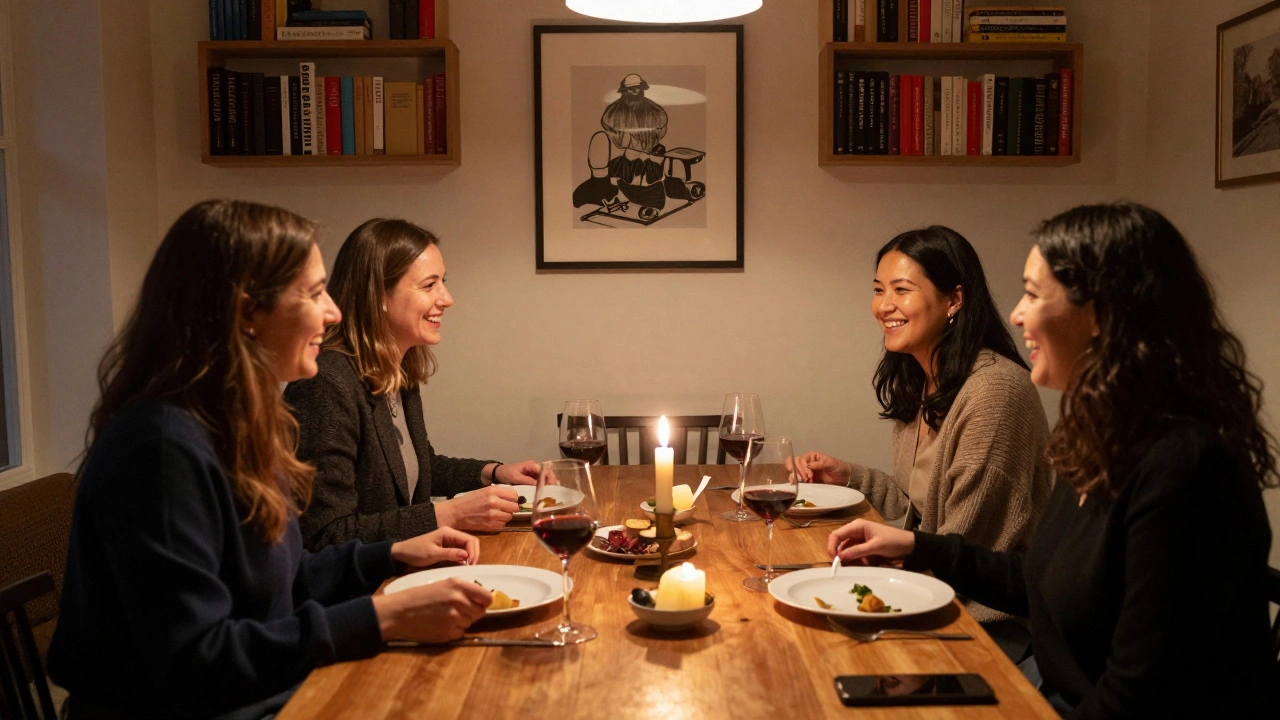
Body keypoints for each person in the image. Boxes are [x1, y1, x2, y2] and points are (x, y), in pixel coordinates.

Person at [827, 203, 1280, 717]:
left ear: (1102, 315)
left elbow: (1141, 695)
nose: (1016, 314)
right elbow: (1039, 581)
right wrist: (915, 544)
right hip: (1054, 681)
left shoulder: (1184, 467)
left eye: (1035, 295)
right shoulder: (1097, 434)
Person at [47, 200, 493, 720]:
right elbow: (196, 663)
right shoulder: (161, 448)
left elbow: (281, 580)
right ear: (245, 313)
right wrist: (380, 616)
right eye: (313, 293)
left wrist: (392, 557)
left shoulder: (235, 424)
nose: (334, 312)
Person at [796, 226, 1053, 635]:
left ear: (954, 299)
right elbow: (921, 513)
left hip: (984, 623)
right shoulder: (922, 380)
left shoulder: (994, 392)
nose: (883, 306)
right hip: (931, 596)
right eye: (879, 290)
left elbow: (960, 548)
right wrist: (849, 476)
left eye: (902, 290)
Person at [285, 218, 539, 551]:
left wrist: (494, 472)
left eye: (443, 282)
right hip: (362, 595)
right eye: (429, 285)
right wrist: (448, 514)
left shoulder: (397, 370)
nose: (447, 299)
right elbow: (328, 536)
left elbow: (418, 466)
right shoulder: (327, 384)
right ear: (379, 295)